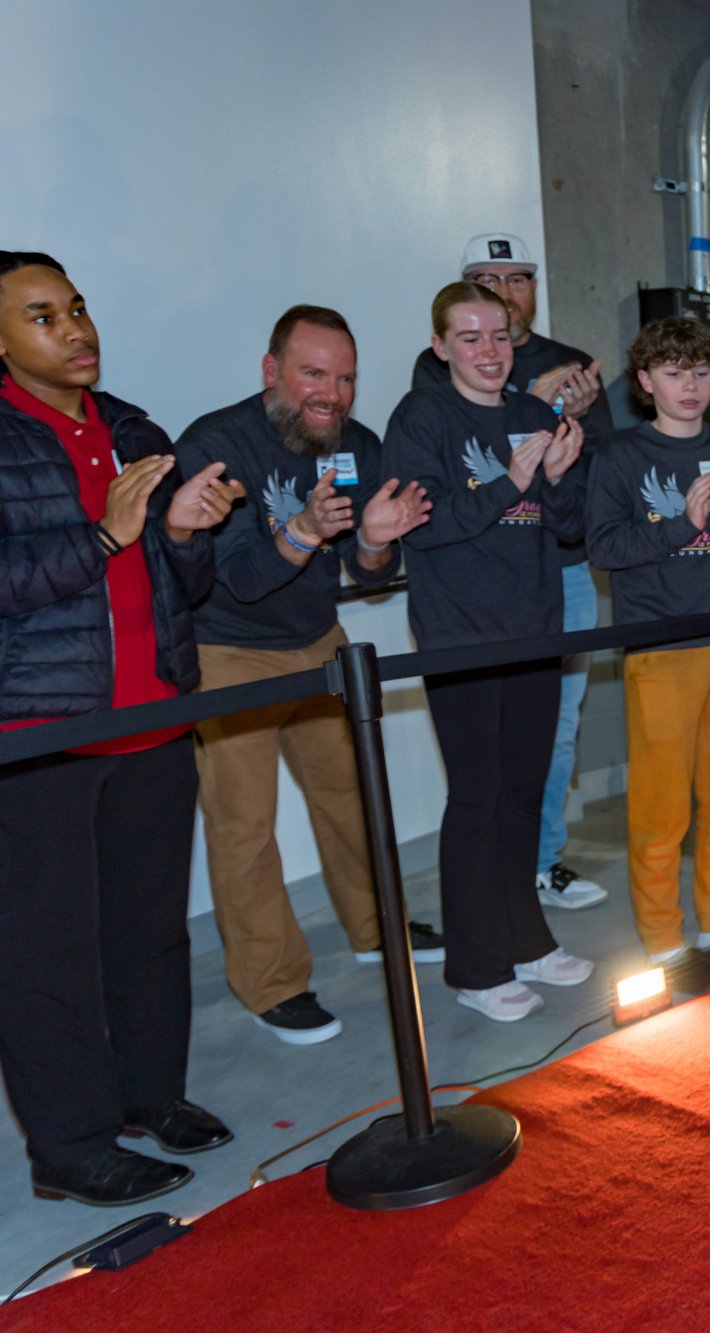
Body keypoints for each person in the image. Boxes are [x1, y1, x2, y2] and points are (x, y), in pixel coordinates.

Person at [0, 251, 243, 1205]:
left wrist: (182, 533)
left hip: (156, 715)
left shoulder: (134, 427)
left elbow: (184, 582)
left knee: (150, 932)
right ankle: (69, 1144)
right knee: (46, 952)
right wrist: (102, 534)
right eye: (42, 316)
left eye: (76, 307)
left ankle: (152, 1095)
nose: (74, 328)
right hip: (41, 733)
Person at [176, 306, 435, 1044]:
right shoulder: (215, 445)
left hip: (321, 640)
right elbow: (238, 578)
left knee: (353, 793)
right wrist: (303, 531)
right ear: (272, 371)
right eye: (314, 374)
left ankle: (376, 927)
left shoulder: (358, 444)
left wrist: (377, 544)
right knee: (245, 826)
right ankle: (272, 983)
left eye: (346, 378)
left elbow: (370, 571)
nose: (333, 394)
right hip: (229, 651)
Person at [385, 281, 594, 1022]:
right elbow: (425, 525)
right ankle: (477, 966)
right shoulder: (422, 416)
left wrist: (556, 480)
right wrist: (511, 482)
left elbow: (568, 527)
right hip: (461, 634)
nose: (488, 351)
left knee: (522, 791)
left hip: (534, 627)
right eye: (469, 337)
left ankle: (525, 939)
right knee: (477, 797)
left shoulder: (535, 414)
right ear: (440, 346)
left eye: (499, 335)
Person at [587, 317, 710, 995]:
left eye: (701, 373)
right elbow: (605, 548)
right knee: (661, 810)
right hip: (661, 647)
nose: (690, 386)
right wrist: (683, 525)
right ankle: (665, 942)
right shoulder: (620, 455)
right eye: (674, 373)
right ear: (646, 381)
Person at [413, 233, 612, 913]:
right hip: (473, 592)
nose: (504, 295)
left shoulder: (567, 367)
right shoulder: (431, 381)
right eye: (488, 281)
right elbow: (448, 474)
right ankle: (495, 900)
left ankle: (539, 871)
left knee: (551, 738)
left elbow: (587, 481)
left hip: (557, 577)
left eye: (517, 279)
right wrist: (533, 408)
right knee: (482, 765)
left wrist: (563, 431)